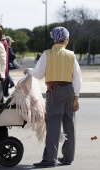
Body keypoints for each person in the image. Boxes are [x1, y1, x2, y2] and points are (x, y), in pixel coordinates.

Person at [24, 27, 82, 168]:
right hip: (69, 90)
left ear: (54, 39)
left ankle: (50, 159)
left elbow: (38, 74)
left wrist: (29, 70)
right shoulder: (71, 55)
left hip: (54, 92)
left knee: (53, 125)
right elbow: (77, 78)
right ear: (65, 40)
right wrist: (76, 98)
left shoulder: (47, 54)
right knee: (69, 124)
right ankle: (68, 157)